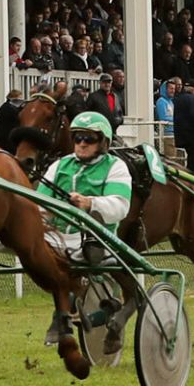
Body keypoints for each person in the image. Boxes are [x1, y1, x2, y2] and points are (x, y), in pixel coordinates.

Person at [37, 111, 132, 345]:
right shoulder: (60, 166)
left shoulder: (116, 167)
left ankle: (65, 312)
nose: (81, 144)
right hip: (59, 236)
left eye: (88, 139)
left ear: (103, 142)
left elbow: (120, 206)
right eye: (78, 138)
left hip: (98, 239)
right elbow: (39, 205)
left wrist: (90, 203)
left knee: (71, 258)